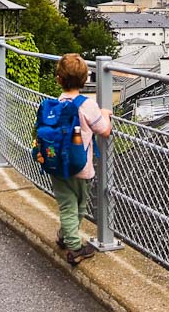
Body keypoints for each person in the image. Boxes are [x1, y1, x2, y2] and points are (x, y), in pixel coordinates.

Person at [51, 53, 112, 265]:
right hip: (81, 167)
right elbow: (104, 131)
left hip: (57, 165)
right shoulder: (87, 105)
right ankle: (75, 248)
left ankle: (66, 236)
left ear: (59, 79)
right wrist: (105, 114)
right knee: (77, 207)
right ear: (86, 80)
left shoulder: (57, 103)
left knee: (66, 203)